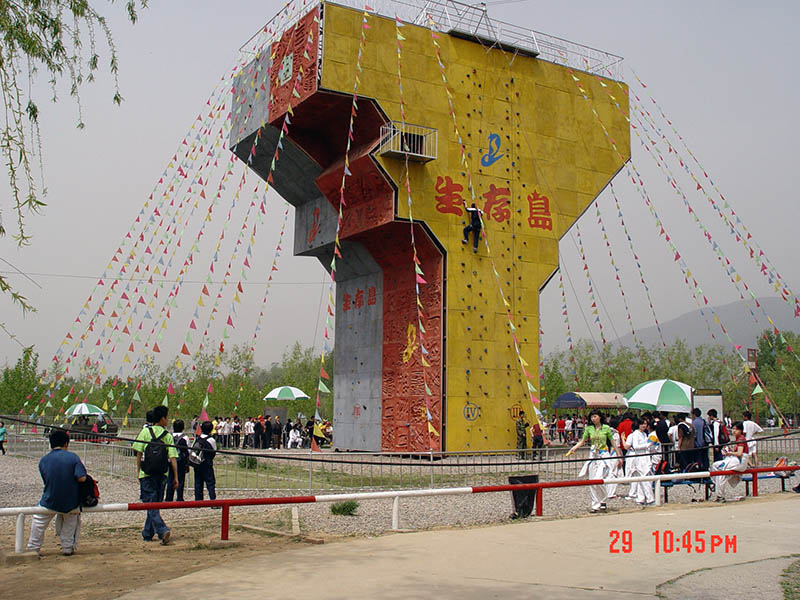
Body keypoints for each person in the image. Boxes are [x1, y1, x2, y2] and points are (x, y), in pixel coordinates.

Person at [26, 429, 87, 556]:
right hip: (71, 501)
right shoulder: (73, 457)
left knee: (38, 521)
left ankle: (33, 548)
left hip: (50, 499)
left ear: (51, 443)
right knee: (70, 522)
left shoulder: (44, 460)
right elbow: (82, 478)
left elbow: (46, 479)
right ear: (66, 443)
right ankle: (67, 547)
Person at [132, 405, 178, 545]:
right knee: (154, 504)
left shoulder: (145, 432)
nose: (168, 420)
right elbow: (173, 458)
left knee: (151, 505)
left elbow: (138, 453)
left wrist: (138, 471)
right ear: (162, 418)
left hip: (146, 474)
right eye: (167, 417)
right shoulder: (167, 436)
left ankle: (151, 532)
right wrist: (175, 477)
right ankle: (159, 530)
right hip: (162, 474)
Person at [566, 411, 622, 513]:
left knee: (598, 478)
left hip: (603, 456)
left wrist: (619, 457)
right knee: (592, 481)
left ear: (600, 417)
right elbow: (582, 441)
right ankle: (595, 505)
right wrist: (573, 448)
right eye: (592, 417)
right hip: (593, 456)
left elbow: (613, 442)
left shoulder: (606, 428)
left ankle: (603, 499)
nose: (593, 419)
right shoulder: (589, 429)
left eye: (595, 416)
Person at [712, 421, 748, 502]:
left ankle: (720, 495)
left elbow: (739, 453)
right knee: (718, 469)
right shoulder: (739, 439)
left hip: (738, 462)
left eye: (736, 429)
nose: (734, 431)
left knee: (719, 470)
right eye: (733, 429)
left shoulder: (741, 439)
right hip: (737, 461)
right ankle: (719, 493)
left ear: (740, 430)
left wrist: (729, 453)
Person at [624, 416, 655, 505]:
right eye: (642, 424)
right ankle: (650, 498)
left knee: (643, 478)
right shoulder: (636, 434)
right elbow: (636, 446)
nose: (644, 426)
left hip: (645, 457)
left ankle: (641, 498)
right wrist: (647, 445)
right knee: (644, 478)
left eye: (645, 424)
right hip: (639, 458)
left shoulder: (644, 434)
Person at [192, 421, 217, 501]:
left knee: (198, 483)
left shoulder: (197, 438)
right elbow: (214, 452)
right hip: (207, 464)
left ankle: (198, 501)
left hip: (197, 463)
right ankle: (212, 500)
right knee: (210, 483)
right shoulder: (211, 440)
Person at [166, 419, 190, 502]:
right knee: (180, 479)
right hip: (181, 461)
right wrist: (187, 463)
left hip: (170, 459)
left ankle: (169, 498)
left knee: (170, 478)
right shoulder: (185, 437)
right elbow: (188, 451)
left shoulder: (169, 436)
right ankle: (179, 498)